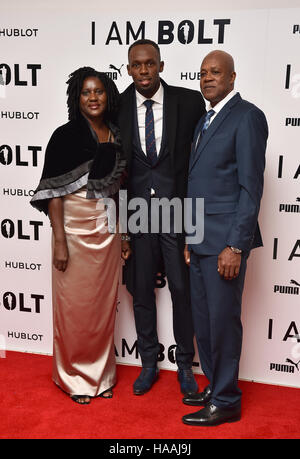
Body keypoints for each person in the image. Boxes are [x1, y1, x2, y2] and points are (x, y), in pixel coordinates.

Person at [30, 67, 127, 404]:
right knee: (74, 310)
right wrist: (59, 241)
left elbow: (116, 191)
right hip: (73, 232)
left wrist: (123, 234)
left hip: (108, 234)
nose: (93, 97)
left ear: (107, 95)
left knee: (100, 310)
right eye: (86, 92)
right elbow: (54, 194)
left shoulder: (116, 133)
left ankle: (101, 375)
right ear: (77, 97)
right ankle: (73, 377)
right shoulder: (65, 135)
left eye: (98, 91)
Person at [182, 50, 268, 426]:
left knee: (223, 320)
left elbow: (250, 189)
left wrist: (235, 245)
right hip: (200, 241)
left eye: (215, 72)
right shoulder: (205, 120)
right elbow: (198, 185)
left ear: (232, 77)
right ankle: (216, 386)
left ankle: (227, 400)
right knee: (205, 322)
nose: (207, 78)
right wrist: (189, 237)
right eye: (202, 73)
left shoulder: (247, 117)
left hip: (225, 244)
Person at [118, 39, 206, 396]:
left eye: (150, 64)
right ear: (128, 69)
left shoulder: (188, 101)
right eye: (137, 65)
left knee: (182, 289)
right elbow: (114, 170)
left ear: (161, 65)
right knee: (141, 291)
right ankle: (149, 364)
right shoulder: (118, 105)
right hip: (137, 211)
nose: (144, 71)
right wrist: (121, 228)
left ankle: (185, 364)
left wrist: (194, 223)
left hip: (177, 210)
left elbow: (200, 162)